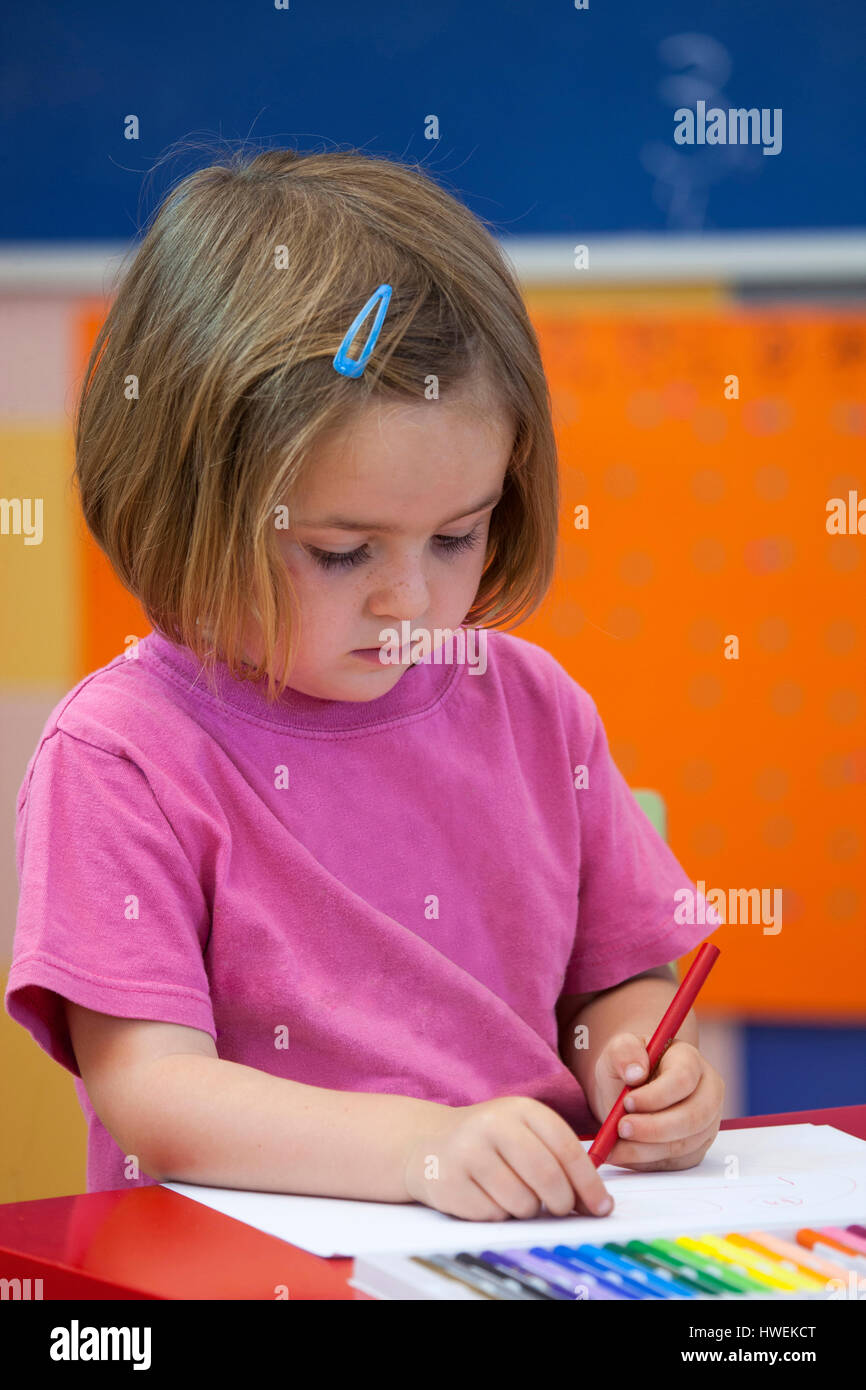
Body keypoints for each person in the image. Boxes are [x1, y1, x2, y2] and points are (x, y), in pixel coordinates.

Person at [6, 146, 723, 1221]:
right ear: (181, 506)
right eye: (343, 553)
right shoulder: (122, 754)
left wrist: (634, 1059)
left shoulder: (533, 709)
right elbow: (150, 1090)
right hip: (243, 1266)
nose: (412, 601)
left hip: (517, 1249)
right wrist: (422, 1150)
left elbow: (612, 979)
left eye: (456, 534)